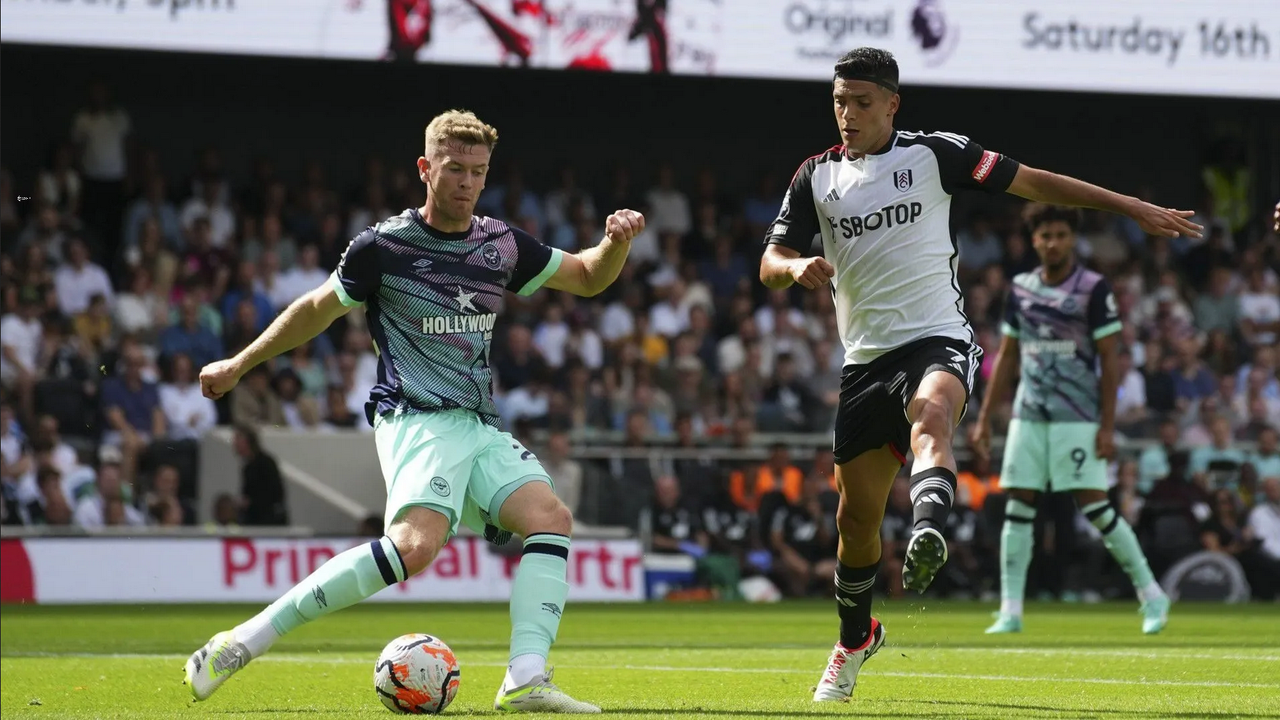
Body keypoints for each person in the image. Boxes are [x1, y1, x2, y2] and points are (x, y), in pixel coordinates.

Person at [758, 47, 1200, 702]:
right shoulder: (815, 176)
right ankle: (855, 637)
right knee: (855, 525)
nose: (847, 115)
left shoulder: (935, 155)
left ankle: (930, 525)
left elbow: (1037, 182)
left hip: (937, 336)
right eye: (838, 102)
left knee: (932, 416)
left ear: (891, 104)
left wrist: (1129, 206)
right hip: (863, 362)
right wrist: (794, 269)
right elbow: (771, 259)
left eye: (861, 102)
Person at [185, 109, 644, 714]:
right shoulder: (384, 247)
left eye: (478, 172)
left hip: (477, 422)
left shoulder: (499, 243)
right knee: (414, 547)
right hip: (415, 416)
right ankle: (242, 641)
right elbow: (316, 309)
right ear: (426, 169)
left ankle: (526, 678)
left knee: (550, 518)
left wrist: (614, 243)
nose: (468, 183)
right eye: (455, 169)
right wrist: (238, 364)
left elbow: (586, 277)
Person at [970, 203, 1169, 636]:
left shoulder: (1094, 288)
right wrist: (985, 418)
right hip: (1029, 412)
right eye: (1045, 236)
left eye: (1060, 235)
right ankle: (1011, 609)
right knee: (1019, 505)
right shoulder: (1020, 288)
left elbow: (1109, 360)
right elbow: (1006, 356)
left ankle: (1151, 593)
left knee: (1095, 506)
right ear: (1034, 240)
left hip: (1077, 415)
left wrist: (1107, 426)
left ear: (1072, 239)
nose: (1053, 242)